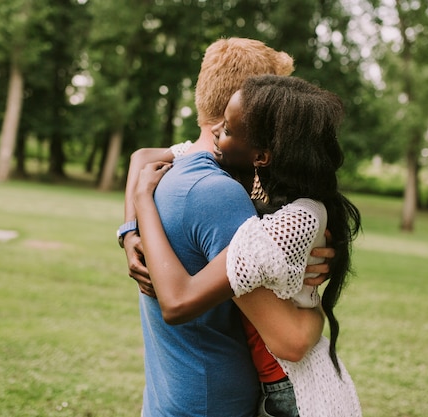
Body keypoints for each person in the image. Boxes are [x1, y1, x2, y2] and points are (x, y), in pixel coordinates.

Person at [118, 38, 331, 417]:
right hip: (213, 400)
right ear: (247, 108)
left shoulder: (175, 172)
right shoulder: (218, 194)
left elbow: (141, 156)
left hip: (173, 395)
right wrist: (319, 313)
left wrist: (130, 229)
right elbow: (291, 339)